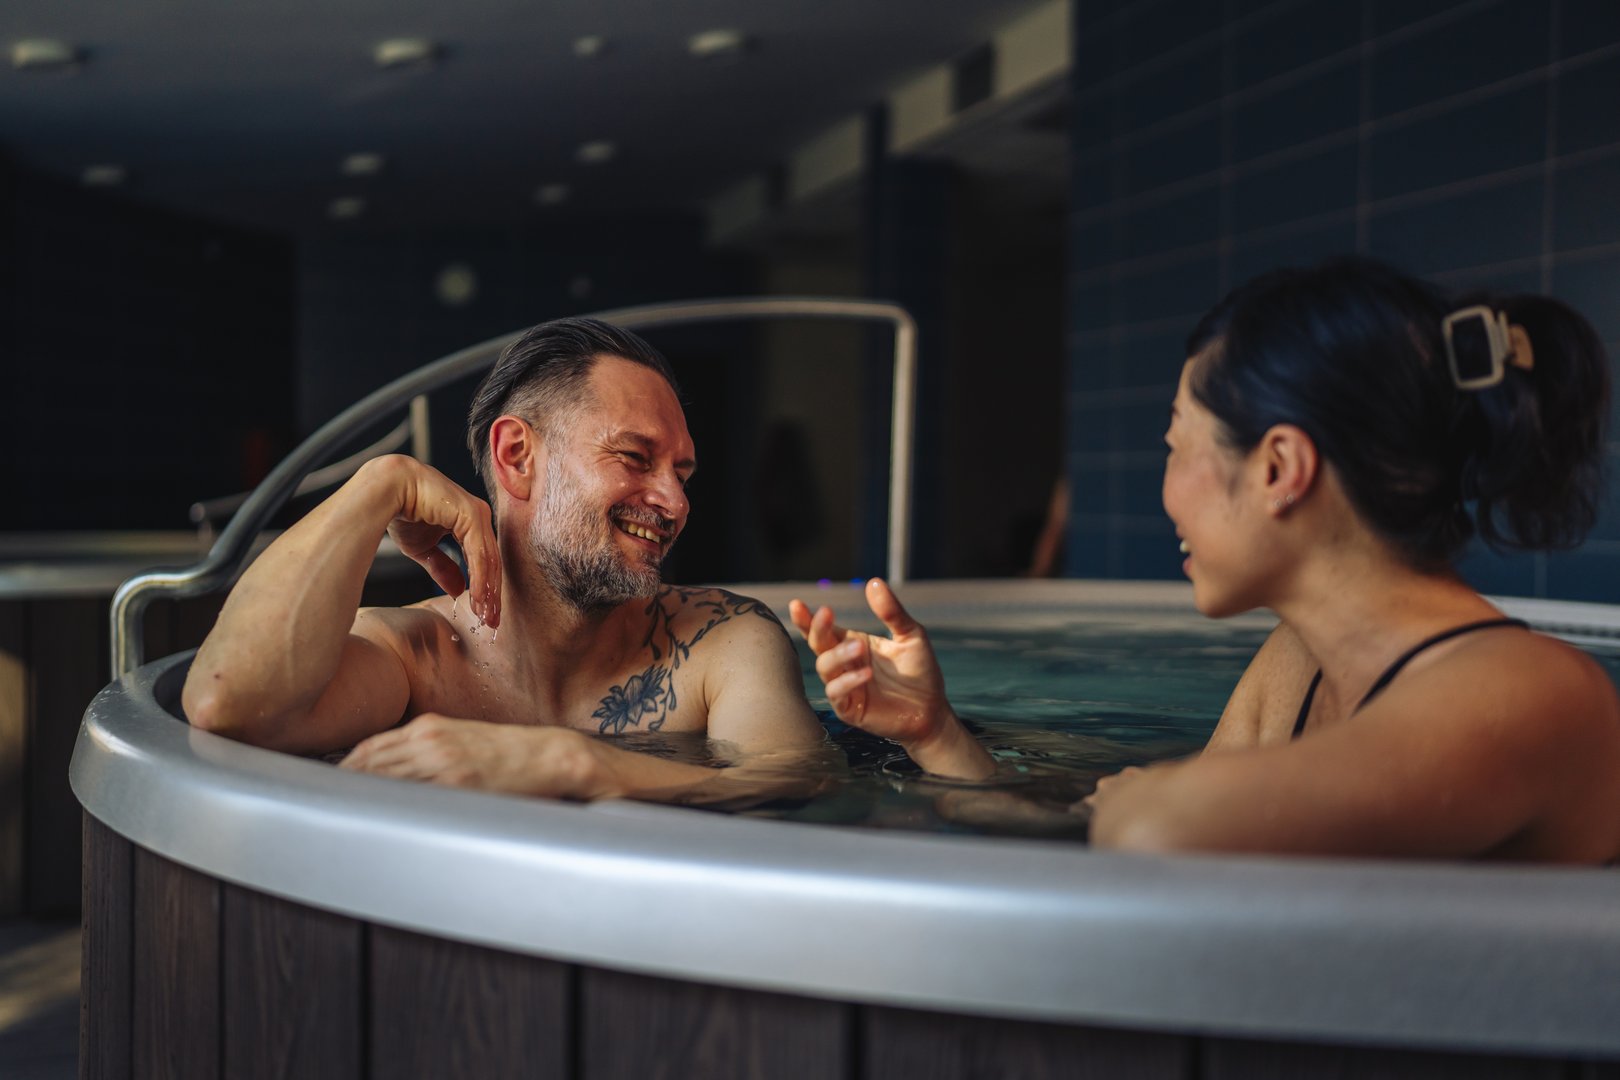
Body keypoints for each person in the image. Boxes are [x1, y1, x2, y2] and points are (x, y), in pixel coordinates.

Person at [792, 258, 1620, 863]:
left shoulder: (1527, 691)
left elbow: (1158, 830)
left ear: (1277, 469)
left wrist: (1148, 797)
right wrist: (935, 734)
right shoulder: (1296, 661)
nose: (1169, 492)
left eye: (1176, 443)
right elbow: (1095, 832)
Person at [184, 317, 827, 801]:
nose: (674, 501)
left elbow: (795, 784)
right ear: (518, 457)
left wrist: (570, 763)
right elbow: (230, 709)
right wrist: (376, 487)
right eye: (635, 457)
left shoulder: (722, 642)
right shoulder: (416, 660)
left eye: (681, 473)